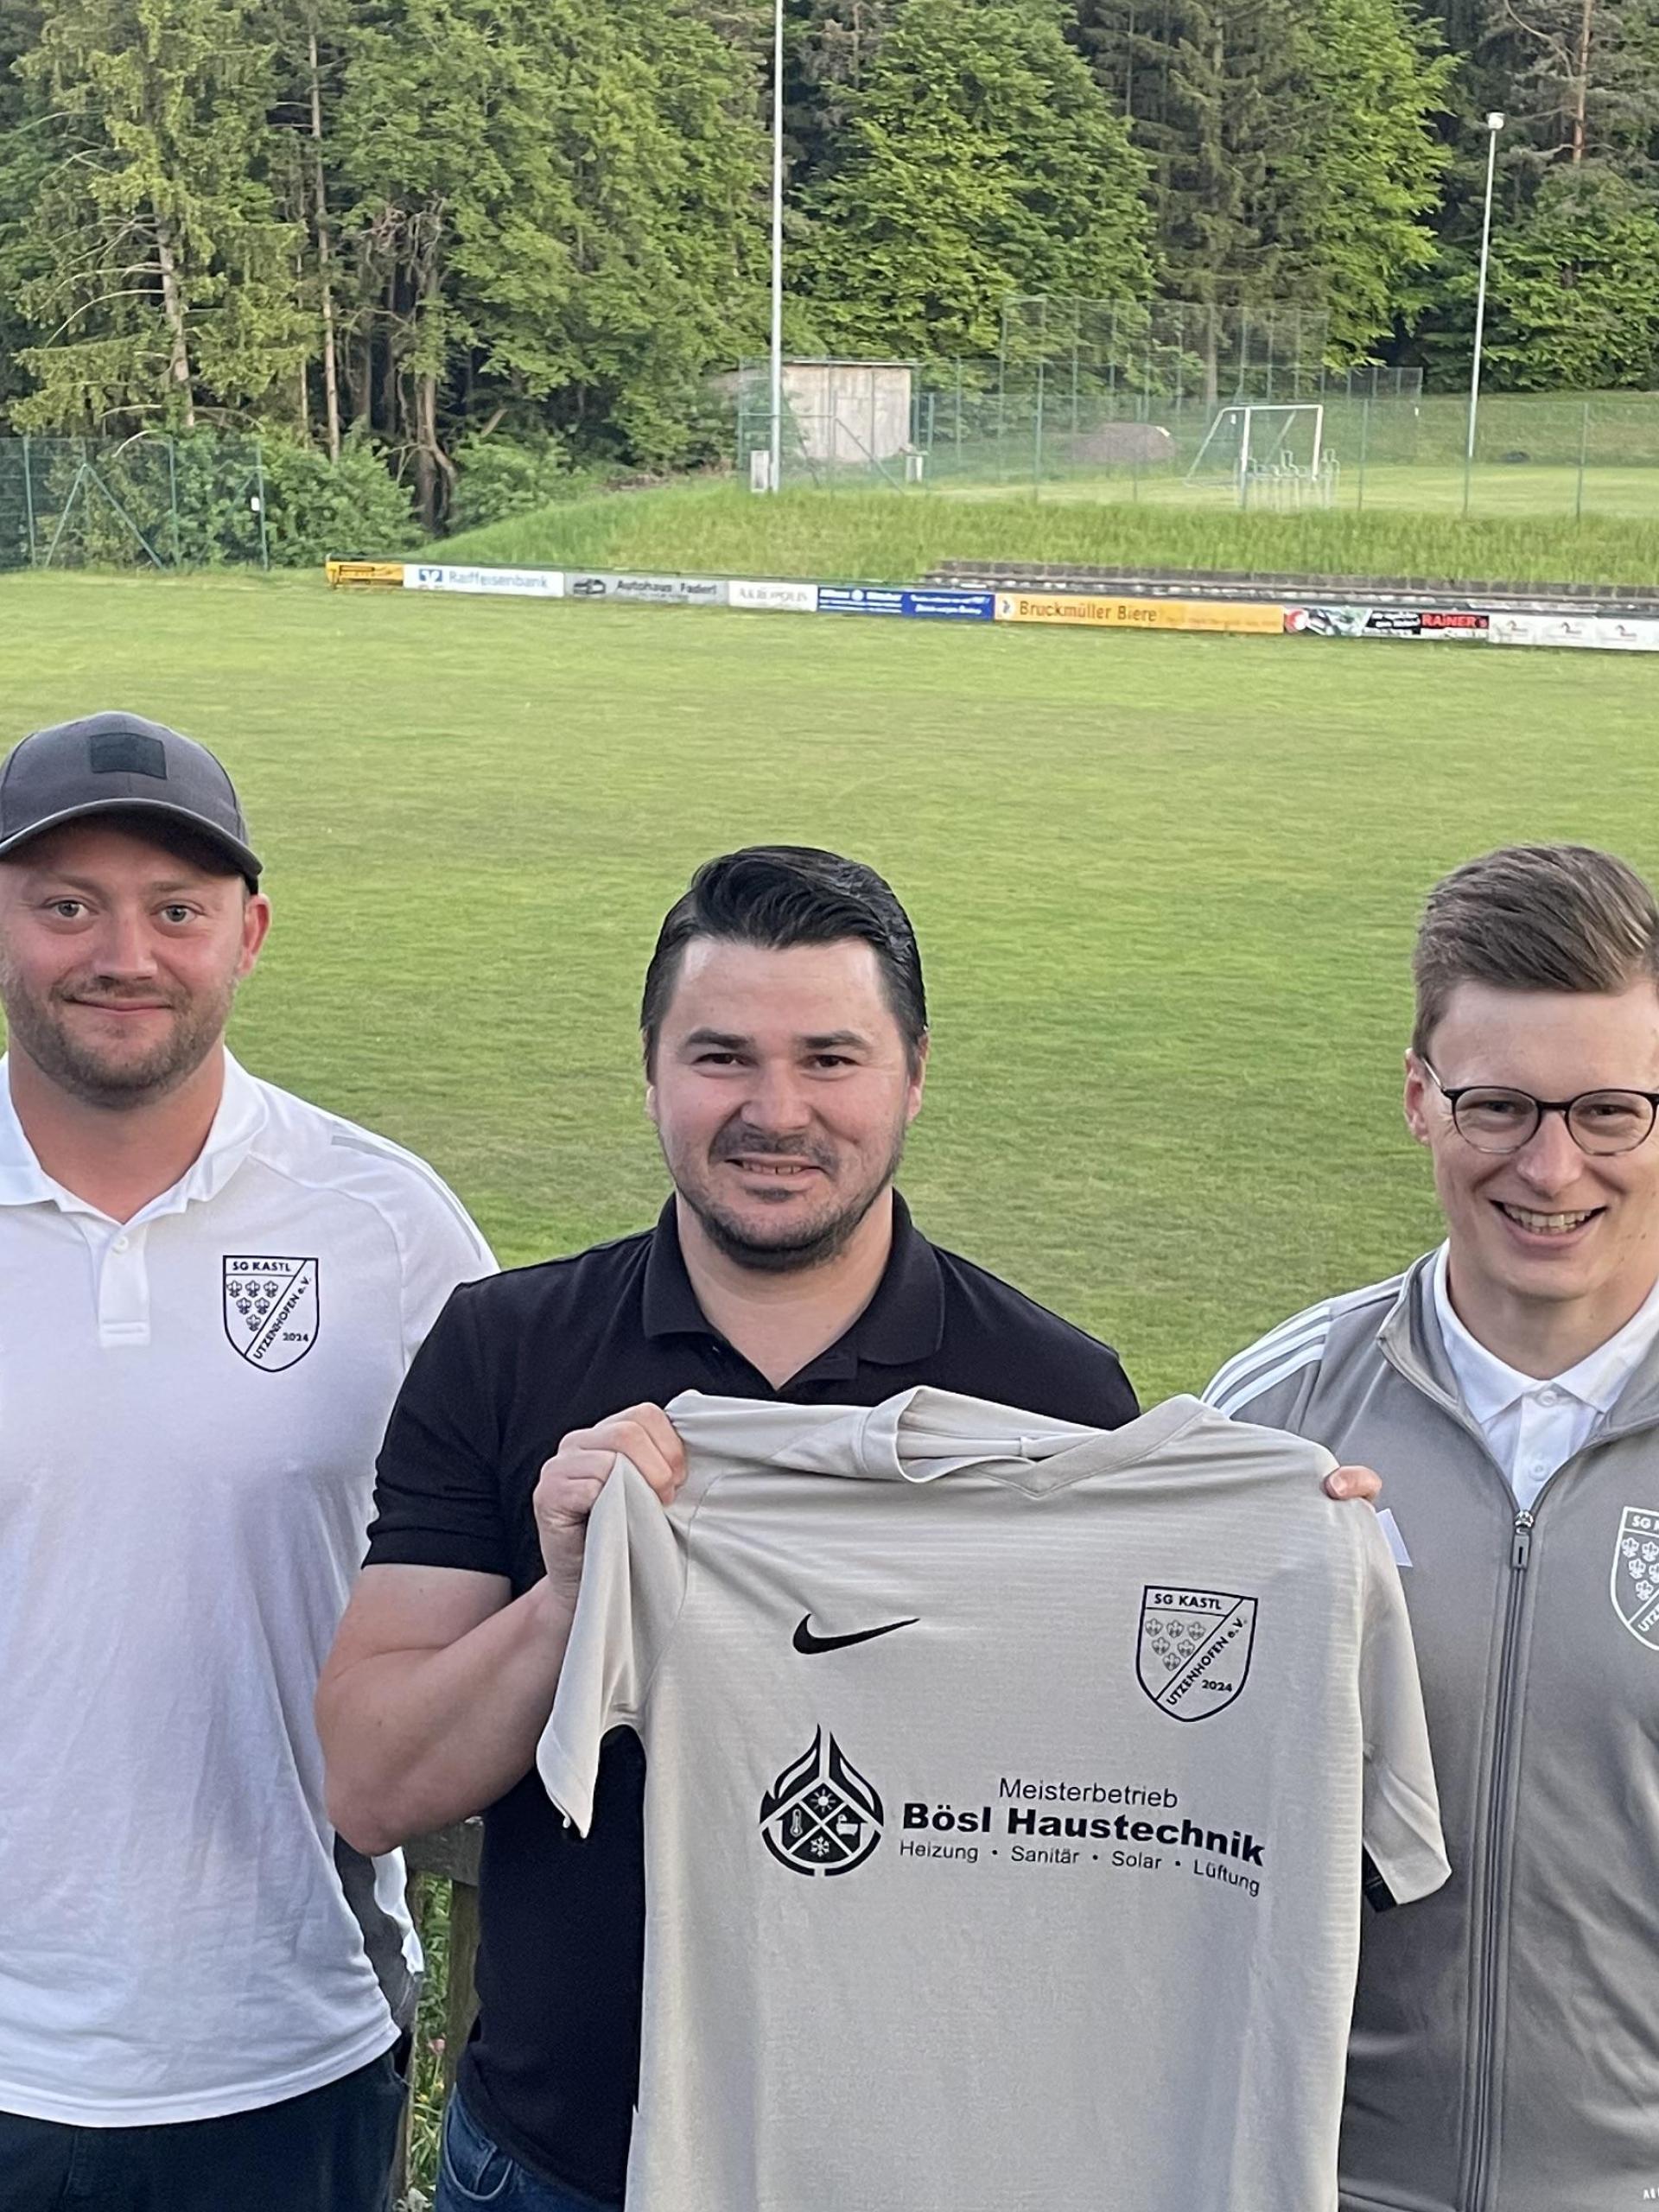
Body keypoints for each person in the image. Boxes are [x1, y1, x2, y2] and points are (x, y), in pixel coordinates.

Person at [319, 842, 1375, 2212]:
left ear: (914, 1076)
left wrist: (1295, 1559)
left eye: (831, 1058)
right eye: (721, 1057)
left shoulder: (1053, 1396)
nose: (775, 1110)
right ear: (650, 1072)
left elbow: (1120, 1809)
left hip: (925, 2162)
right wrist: (567, 1599)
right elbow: (374, 1786)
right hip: (559, 2163)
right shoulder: (505, 1351)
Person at [0, 712, 493, 2212]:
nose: (122, 953)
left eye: (177, 910)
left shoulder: (390, 1228)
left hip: (287, 2036)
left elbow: (512, 1610)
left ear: (251, 934)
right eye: (65, 903)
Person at [1207, 842, 1659, 2212]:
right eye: (1499, 1106)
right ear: (1418, 1099)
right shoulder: (1268, 1422)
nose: (1552, 1166)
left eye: (1612, 1113)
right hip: (1320, 2183)